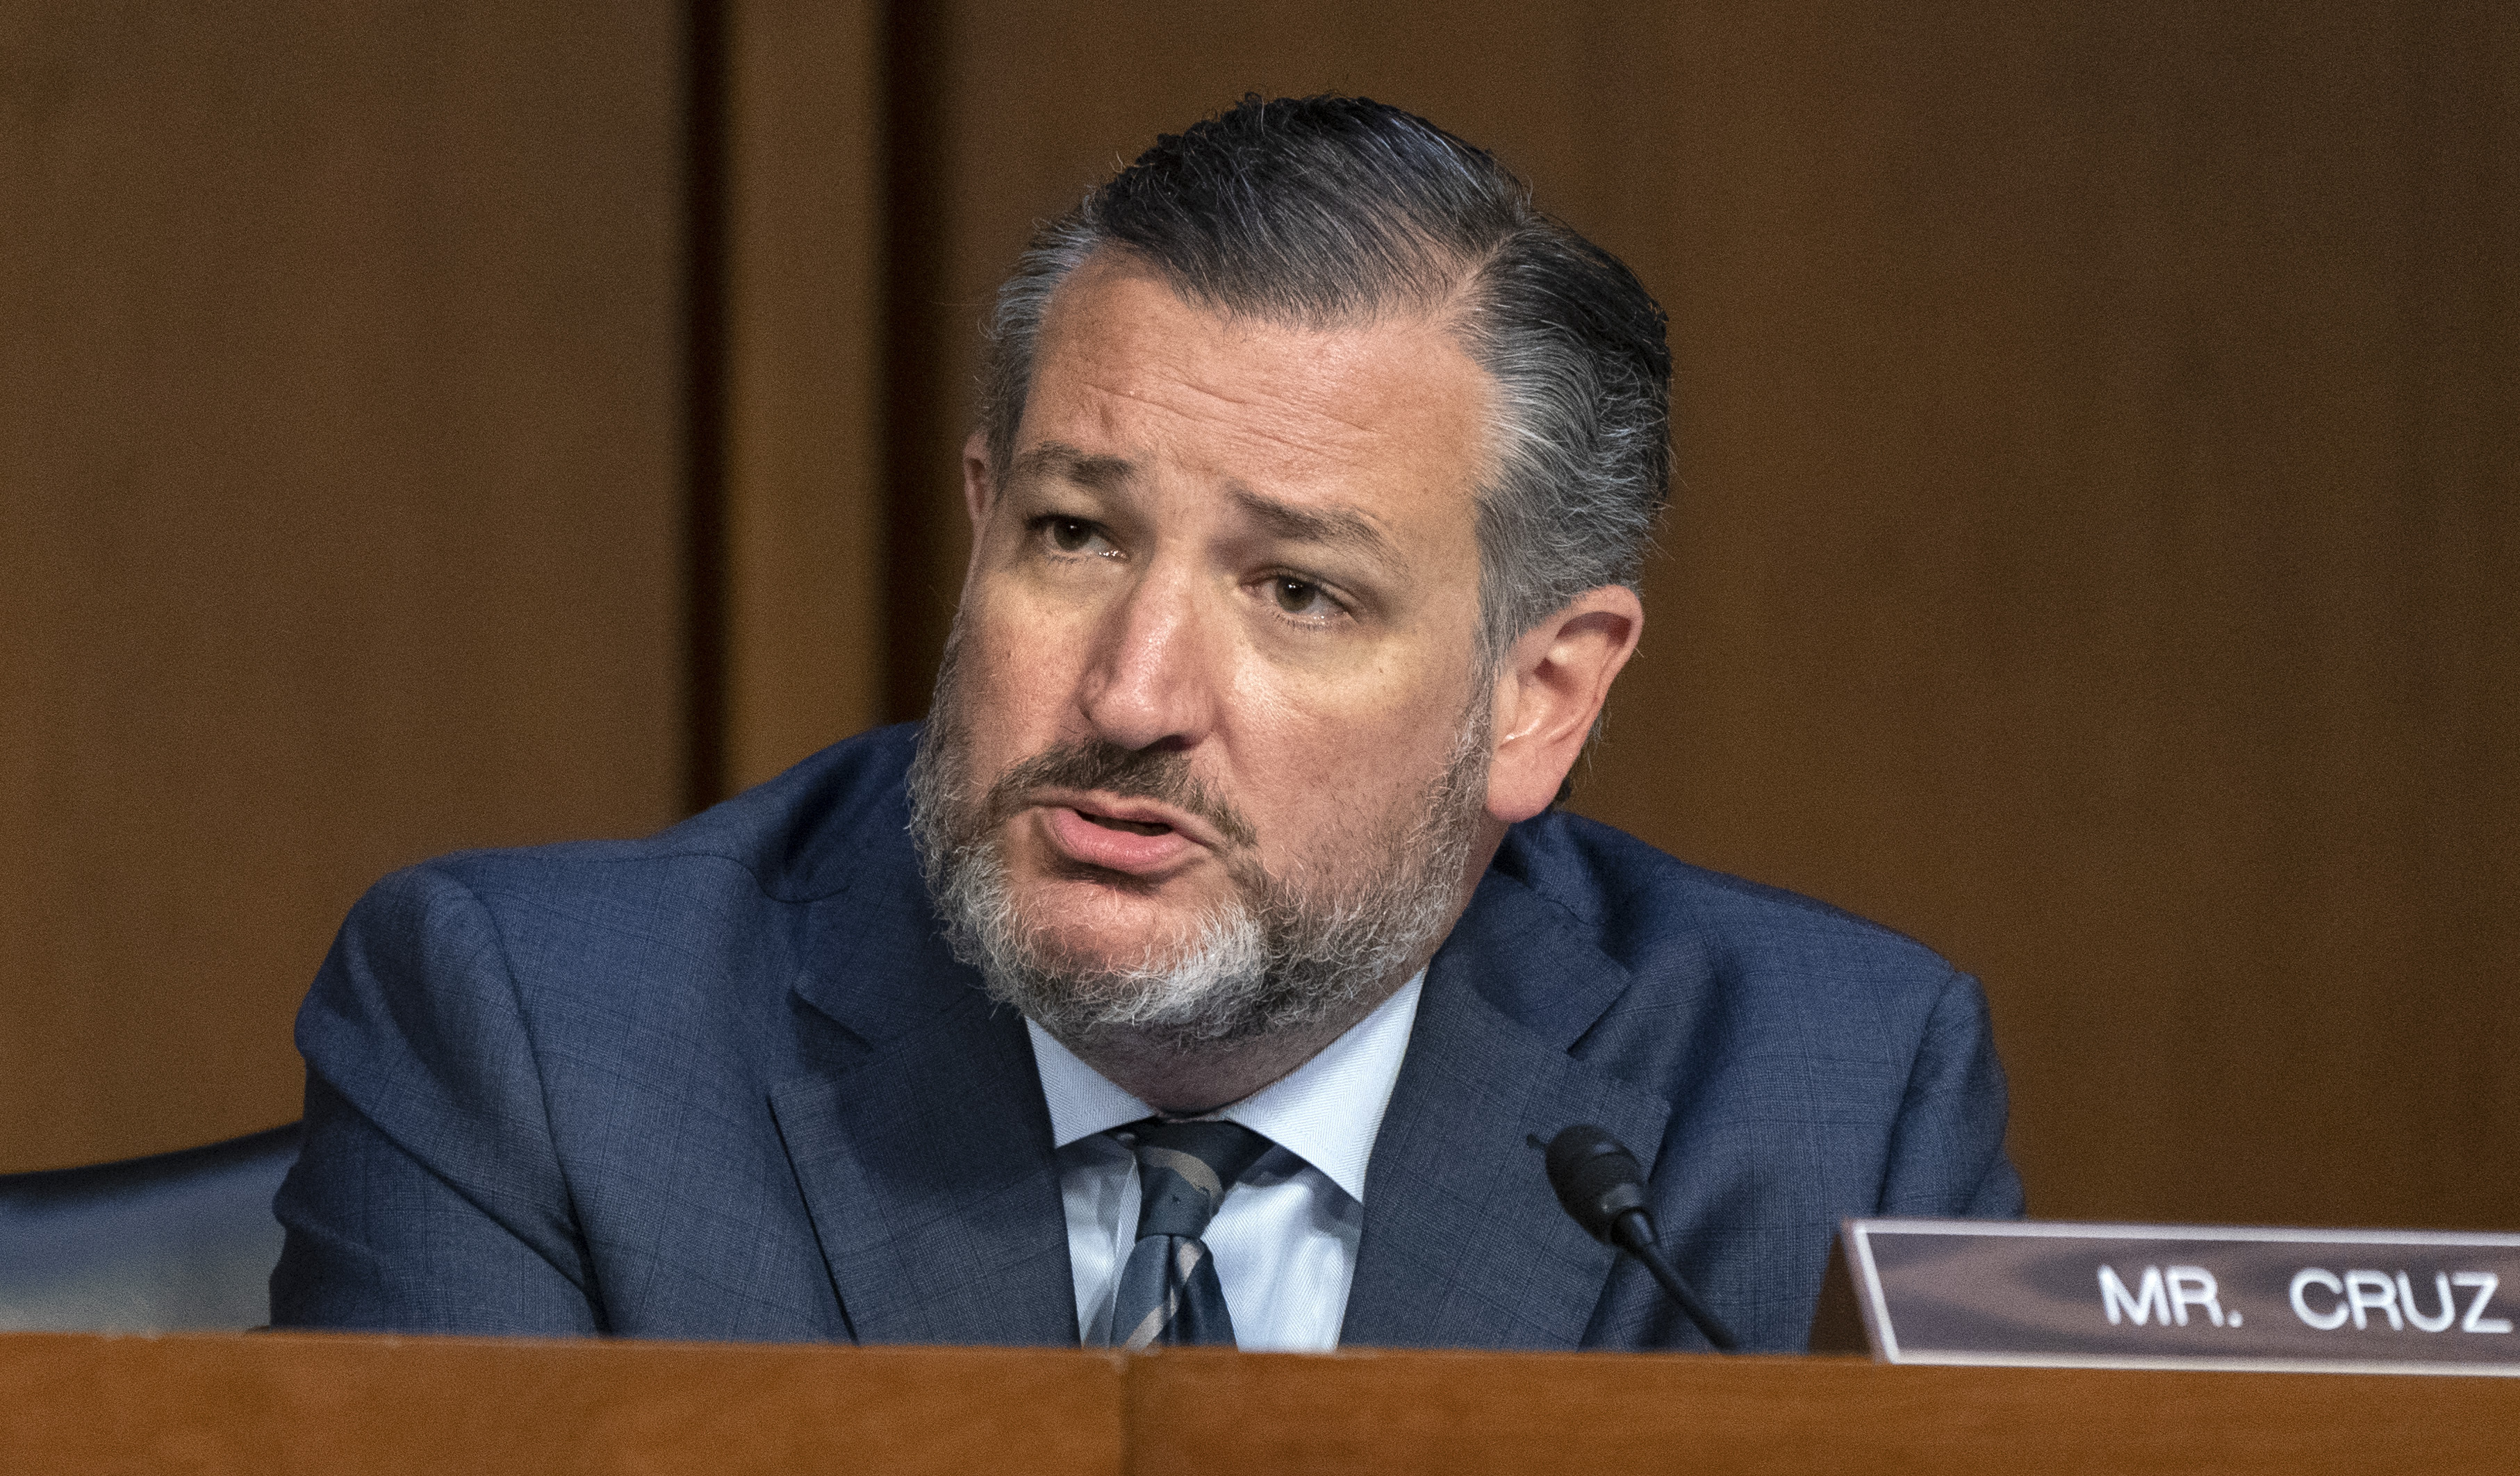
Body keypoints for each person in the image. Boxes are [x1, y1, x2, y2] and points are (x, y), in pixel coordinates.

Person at [272, 95, 2020, 1352]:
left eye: (1297, 593)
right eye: (1074, 536)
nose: (1128, 695)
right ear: (978, 529)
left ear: (1534, 694)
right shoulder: (542, 1041)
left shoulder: (1815, 1100)